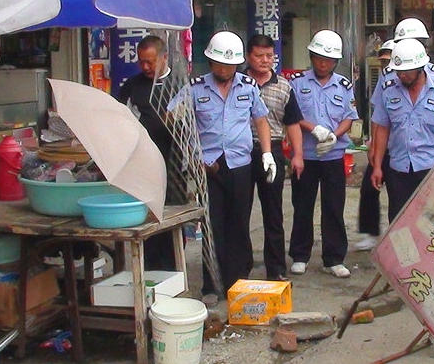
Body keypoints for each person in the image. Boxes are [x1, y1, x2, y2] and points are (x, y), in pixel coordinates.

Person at [171, 31, 275, 299]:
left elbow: (261, 120)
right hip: (209, 166)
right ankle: (211, 285)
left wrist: (267, 153)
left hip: (240, 165)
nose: (224, 69)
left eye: (229, 65)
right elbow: (172, 117)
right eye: (219, 64)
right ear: (210, 61)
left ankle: (237, 282)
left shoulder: (248, 87)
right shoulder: (194, 88)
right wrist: (178, 119)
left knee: (239, 224)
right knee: (212, 225)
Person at [289, 29, 359, 278]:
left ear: (335, 62)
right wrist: (313, 128)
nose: (323, 63)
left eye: (328, 60)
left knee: (333, 207)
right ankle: (300, 255)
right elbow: (293, 117)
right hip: (306, 155)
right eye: (318, 58)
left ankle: (334, 258)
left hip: (333, 156)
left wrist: (334, 136)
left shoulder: (344, 85)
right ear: (311, 56)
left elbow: (350, 117)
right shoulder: (297, 83)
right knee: (303, 206)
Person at [370, 38, 434, 221]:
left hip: (431, 169)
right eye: (398, 72)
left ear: (420, 68)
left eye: (406, 72)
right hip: (399, 169)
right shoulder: (388, 90)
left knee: (433, 224)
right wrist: (377, 166)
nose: (401, 76)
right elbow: (382, 128)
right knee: (399, 224)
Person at [244, 34, 305, 282]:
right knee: (239, 212)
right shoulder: (239, 82)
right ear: (249, 56)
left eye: (269, 56)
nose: (265, 60)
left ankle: (276, 268)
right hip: (243, 152)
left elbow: (292, 124)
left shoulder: (284, 86)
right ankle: (240, 266)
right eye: (259, 55)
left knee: (273, 212)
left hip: (275, 152)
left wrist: (298, 155)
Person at [118, 35, 180, 271]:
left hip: (174, 163)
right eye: (141, 61)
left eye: (151, 62)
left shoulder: (181, 84)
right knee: (147, 215)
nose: (145, 67)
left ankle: (173, 268)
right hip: (143, 162)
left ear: (164, 58)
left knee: (171, 215)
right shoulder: (132, 86)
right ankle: (149, 268)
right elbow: (122, 116)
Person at [354, 39, 395, 252]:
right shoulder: (385, 79)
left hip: (405, 150)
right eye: (383, 61)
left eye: (388, 60)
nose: (385, 65)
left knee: (401, 197)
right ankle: (370, 232)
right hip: (382, 145)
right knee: (369, 189)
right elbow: (378, 115)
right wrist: (372, 143)